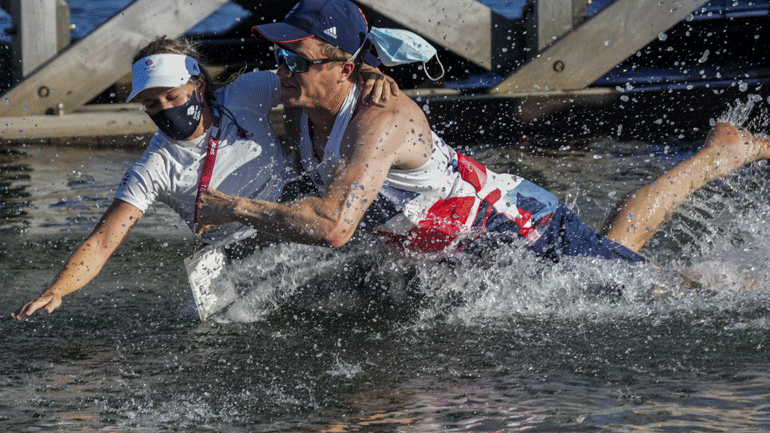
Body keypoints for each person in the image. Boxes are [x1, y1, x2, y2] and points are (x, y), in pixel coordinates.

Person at [196, 0, 770, 266]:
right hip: (473, 248)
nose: (281, 72)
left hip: (522, 233)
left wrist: (233, 209)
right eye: (279, 57)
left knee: (665, 295)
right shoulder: (299, 105)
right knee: (620, 244)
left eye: (296, 60)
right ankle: (718, 154)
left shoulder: (381, 119)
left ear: (342, 65)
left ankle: (724, 186)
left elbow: (335, 226)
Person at [11, 35, 398, 320]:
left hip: (290, 215)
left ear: (198, 86)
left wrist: (366, 71)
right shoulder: (153, 167)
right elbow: (102, 241)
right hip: (228, 254)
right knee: (218, 339)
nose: (164, 109)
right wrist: (57, 289)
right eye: (151, 103)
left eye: (174, 97)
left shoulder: (244, 93)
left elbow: (313, 77)